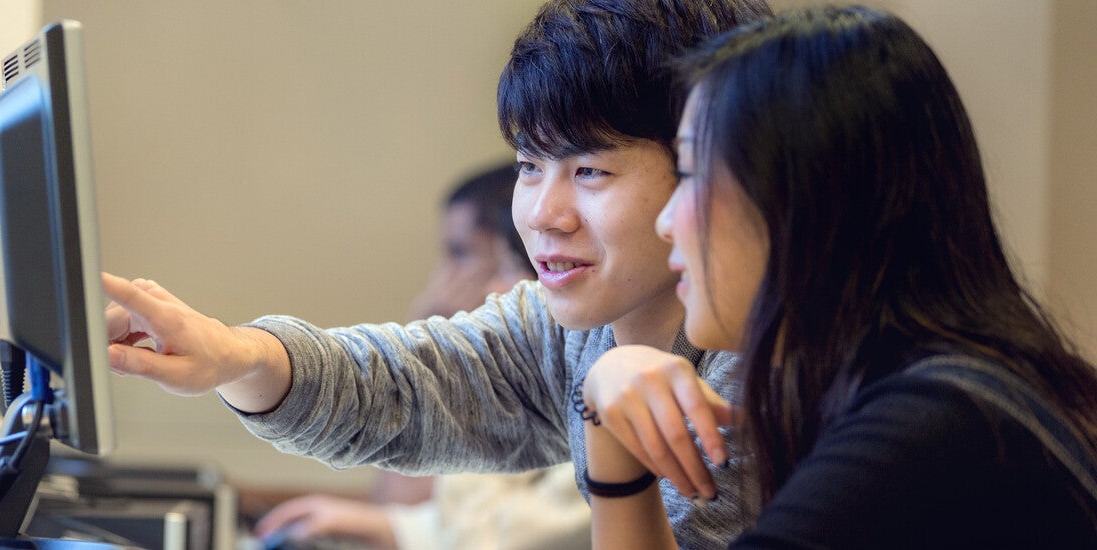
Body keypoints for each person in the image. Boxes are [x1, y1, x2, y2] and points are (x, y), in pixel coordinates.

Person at [101, 1, 771, 548]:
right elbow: (402, 387)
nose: (542, 215)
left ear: (707, 160)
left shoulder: (762, 367)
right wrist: (232, 354)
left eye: (590, 171)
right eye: (529, 165)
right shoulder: (572, 329)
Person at [577, 6, 1097, 548]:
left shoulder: (930, 425)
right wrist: (607, 430)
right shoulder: (921, 393)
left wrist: (611, 442)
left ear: (799, 198)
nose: (666, 223)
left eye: (688, 173)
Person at [253, 164, 592, 549]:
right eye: (529, 166)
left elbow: (483, 539)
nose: (441, 280)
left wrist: (438, 335)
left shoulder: (591, 366)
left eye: (460, 254)